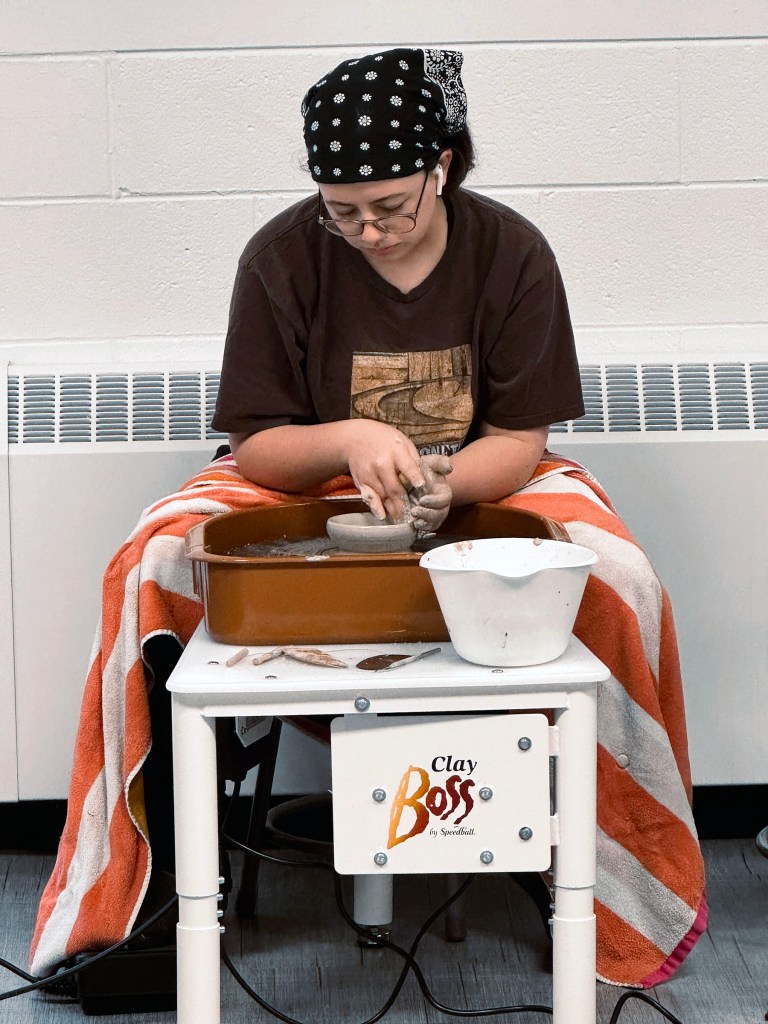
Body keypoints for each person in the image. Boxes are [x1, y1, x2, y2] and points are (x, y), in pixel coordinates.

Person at [211, 47, 585, 526]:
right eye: (342, 213)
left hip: (472, 479)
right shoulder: (277, 260)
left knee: (611, 562)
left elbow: (516, 441)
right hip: (312, 484)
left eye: (392, 207)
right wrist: (351, 440)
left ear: (441, 169)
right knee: (161, 550)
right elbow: (255, 446)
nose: (368, 233)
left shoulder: (514, 255)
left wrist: (440, 488)